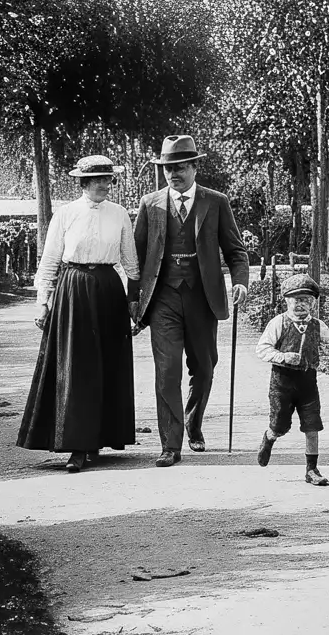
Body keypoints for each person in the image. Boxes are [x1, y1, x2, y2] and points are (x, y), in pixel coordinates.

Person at [16, 155, 139, 472]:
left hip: (108, 291)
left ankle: (99, 438)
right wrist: (43, 302)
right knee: (77, 366)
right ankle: (77, 445)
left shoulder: (119, 214)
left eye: (108, 178)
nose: (105, 184)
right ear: (83, 183)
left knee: (107, 365)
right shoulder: (66, 214)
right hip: (73, 290)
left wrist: (134, 301)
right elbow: (50, 261)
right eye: (98, 179)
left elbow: (131, 263)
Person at [133, 135, 250, 468]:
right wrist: (132, 302)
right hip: (163, 300)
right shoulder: (150, 204)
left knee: (204, 368)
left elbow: (236, 251)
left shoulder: (216, 202)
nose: (174, 174)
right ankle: (170, 445)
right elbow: (135, 258)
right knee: (167, 371)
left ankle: (193, 421)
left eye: (181, 167)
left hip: (202, 298)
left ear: (195, 167)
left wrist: (240, 282)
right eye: (168, 169)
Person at [254, 275, 329, 486]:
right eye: (296, 300)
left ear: (313, 303)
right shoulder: (279, 322)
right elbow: (262, 349)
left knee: (312, 424)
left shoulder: (317, 325)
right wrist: (283, 356)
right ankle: (269, 437)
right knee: (280, 425)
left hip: (308, 381)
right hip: (282, 383)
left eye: (306, 300)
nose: (300, 305)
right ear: (286, 301)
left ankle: (311, 469)